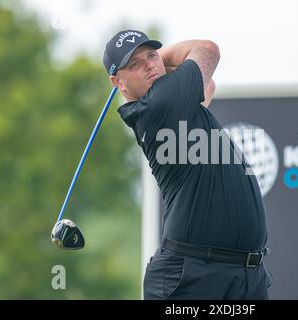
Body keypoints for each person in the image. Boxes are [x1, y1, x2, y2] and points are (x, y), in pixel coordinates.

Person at [102, 30, 272, 299]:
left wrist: (152, 67)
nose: (148, 64)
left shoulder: (172, 105)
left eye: (151, 55)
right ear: (118, 83)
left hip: (239, 275)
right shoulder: (161, 103)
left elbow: (208, 86)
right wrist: (161, 63)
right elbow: (208, 49)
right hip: (194, 278)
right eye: (134, 63)